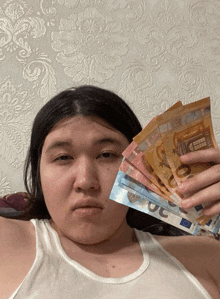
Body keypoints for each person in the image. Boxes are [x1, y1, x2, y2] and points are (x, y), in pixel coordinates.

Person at [0, 85, 219, 299]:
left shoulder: (203, 254)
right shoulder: (6, 240)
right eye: (63, 157)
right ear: (38, 171)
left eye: (106, 155)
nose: (85, 181)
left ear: (140, 168)